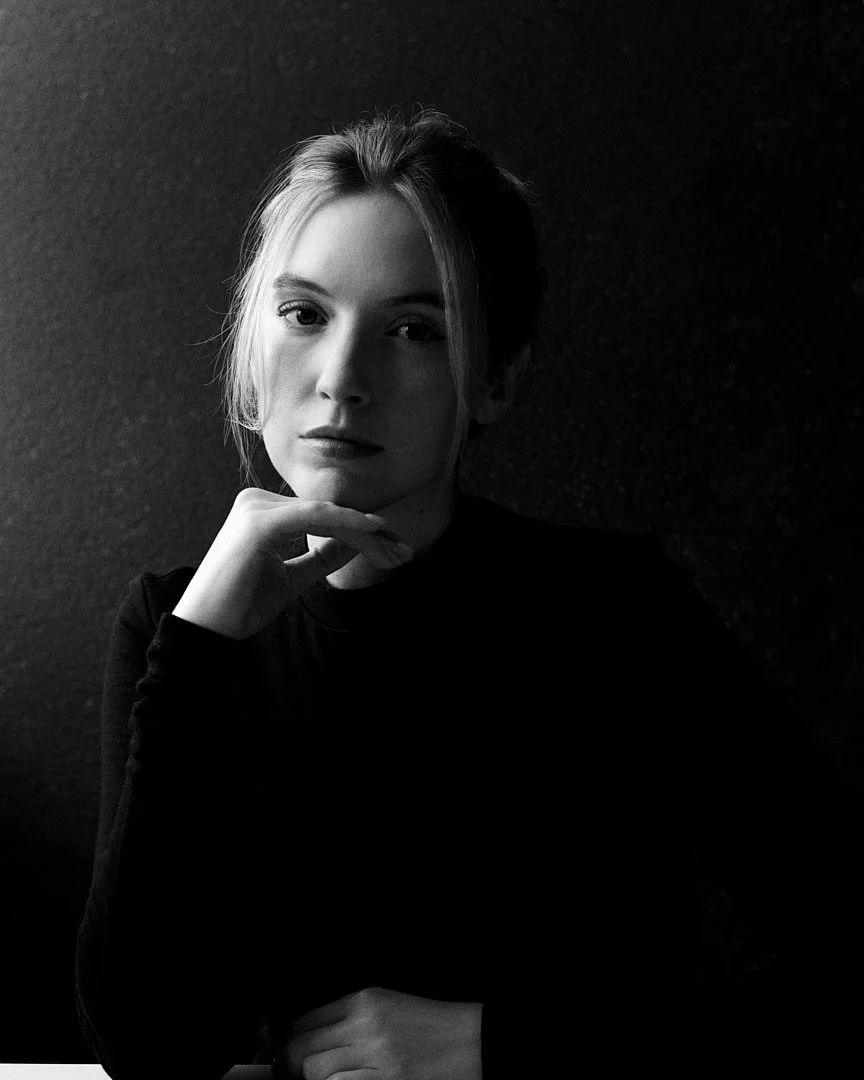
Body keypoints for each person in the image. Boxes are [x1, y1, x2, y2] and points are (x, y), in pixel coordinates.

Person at [75, 108, 864, 1079]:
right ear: (252, 359)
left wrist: (497, 1043)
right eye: (305, 314)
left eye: (412, 329)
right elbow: (147, 1052)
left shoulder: (619, 613)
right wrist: (199, 643)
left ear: (492, 382)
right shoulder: (173, 627)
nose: (341, 379)